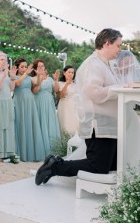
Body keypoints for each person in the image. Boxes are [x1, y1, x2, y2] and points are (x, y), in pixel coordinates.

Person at [35, 29, 126, 185]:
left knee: (112, 165)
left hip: (109, 122)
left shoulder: (107, 64)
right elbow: (93, 92)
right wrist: (120, 90)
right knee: (97, 167)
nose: (120, 49)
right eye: (118, 45)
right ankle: (55, 166)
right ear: (106, 44)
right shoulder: (93, 65)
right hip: (97, 123)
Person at [13, 57, 47, 162]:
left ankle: (31, 153)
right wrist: (25, 73)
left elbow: (37, 82)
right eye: (22, 67)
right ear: (18, 68)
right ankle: (20, 153)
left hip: (29, 103)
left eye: (25, 67)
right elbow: (17, 84)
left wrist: (40, 74)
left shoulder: (29, 78)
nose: (24, 69)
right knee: (21, 124)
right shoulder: (14, 76)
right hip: (19, 102)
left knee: (29, 125)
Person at [0, 52, 16, 161]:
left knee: (8, 127)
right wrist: (4, 76)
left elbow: (11, 89)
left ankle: (8, 153)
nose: (3, 61)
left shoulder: (7, 73)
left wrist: (13, 78)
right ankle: (0, 154)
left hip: (8, 101)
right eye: (1, 59)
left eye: (4, 60)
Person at [31, 59, 61, 151]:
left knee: (50, 122)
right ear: (35, 69)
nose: (41, 68)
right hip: (38, 102)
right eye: (39, 66)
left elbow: (56, 90)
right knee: (40, 123)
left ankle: (52, 147)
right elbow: (34, 91)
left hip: (49, 103)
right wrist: (40, 79)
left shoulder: (49, 78)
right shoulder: (33, 79)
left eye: (42, 66)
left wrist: (56, 79)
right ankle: (41, 148)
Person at [57, 65, 79, 135]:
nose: (71, 74)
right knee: (66, 125)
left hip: (75, 107)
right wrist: (67, 84)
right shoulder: (60, 83)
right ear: (64, 73)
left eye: (72, 73)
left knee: (75, 126)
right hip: (65, 107)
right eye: (69, 72)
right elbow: (61, 96)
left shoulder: (76, 85)